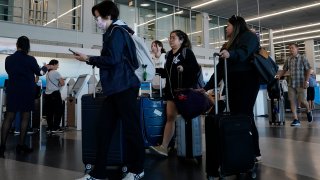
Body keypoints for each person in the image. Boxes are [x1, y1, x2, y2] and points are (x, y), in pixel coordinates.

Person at [73, 1, 144, 180]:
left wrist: (88, 58)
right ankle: (99, 172)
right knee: (103, 128)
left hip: (125, 87)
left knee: (131, 129)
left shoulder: (117, 32)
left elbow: (113, 59)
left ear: (108, 15)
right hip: (115, 88)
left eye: (98, 17)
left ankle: (137, 169)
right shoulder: (111, 33)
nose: (97, 21)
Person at [216, 15, 262, 161]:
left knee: (245, 114)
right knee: (237, 115)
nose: (226, 28)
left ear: (235, 26)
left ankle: (255, 151)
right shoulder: (229, 43)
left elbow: (243, 53)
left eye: (228, 25)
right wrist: (206, 87)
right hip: (233, 81)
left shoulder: (249, 37)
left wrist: (231, 54)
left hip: (247, 80)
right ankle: (241, 148)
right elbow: (220, 69)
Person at [149, 30, 201, 157]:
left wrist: (184, 68)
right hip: (171, 92)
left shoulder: (186, 52)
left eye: (173, 38)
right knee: (170, 117)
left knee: (186, 118)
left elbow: (195, 68)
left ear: (181, 40)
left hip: (184, 91)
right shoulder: (169, 55)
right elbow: (168, 72)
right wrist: (157, 71)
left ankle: (189, 148)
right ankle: (164, 147)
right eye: (170, 38)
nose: (170, 40)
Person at [0, 36, 49, 158]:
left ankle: (1, 147)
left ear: (17, 45)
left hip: (12, 90)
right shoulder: (30, 59)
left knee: (9, 117)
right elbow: (40, 73)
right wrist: (46, 67)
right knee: (25, 117)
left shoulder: (8, 59)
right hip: (27, 91)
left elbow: (9, 71)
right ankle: (21, 145)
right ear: (27, 47)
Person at [276, 43, 313, 126]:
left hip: (301, 83)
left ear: (297, 49)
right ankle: (296, 119)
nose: (291, 50)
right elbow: (284, 69)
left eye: (292, 48)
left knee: (303, 101)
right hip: (291, 84)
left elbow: (308, 70)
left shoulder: (303, 58)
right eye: (289, 49)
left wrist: (306, 81)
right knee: (292, 101)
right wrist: (279, 76)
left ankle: (308, 110)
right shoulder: (288, 59)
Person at [45, 59, 65, 134]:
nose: (58, 66)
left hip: (47, 95)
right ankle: (56, 127)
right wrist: (59, 84)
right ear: (53, 65)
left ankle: (49, 128)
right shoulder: (56, 72)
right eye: (57, 65)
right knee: (58, 111)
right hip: (55, 94)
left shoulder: (48, 73)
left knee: (49, 112)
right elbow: (62, 83)